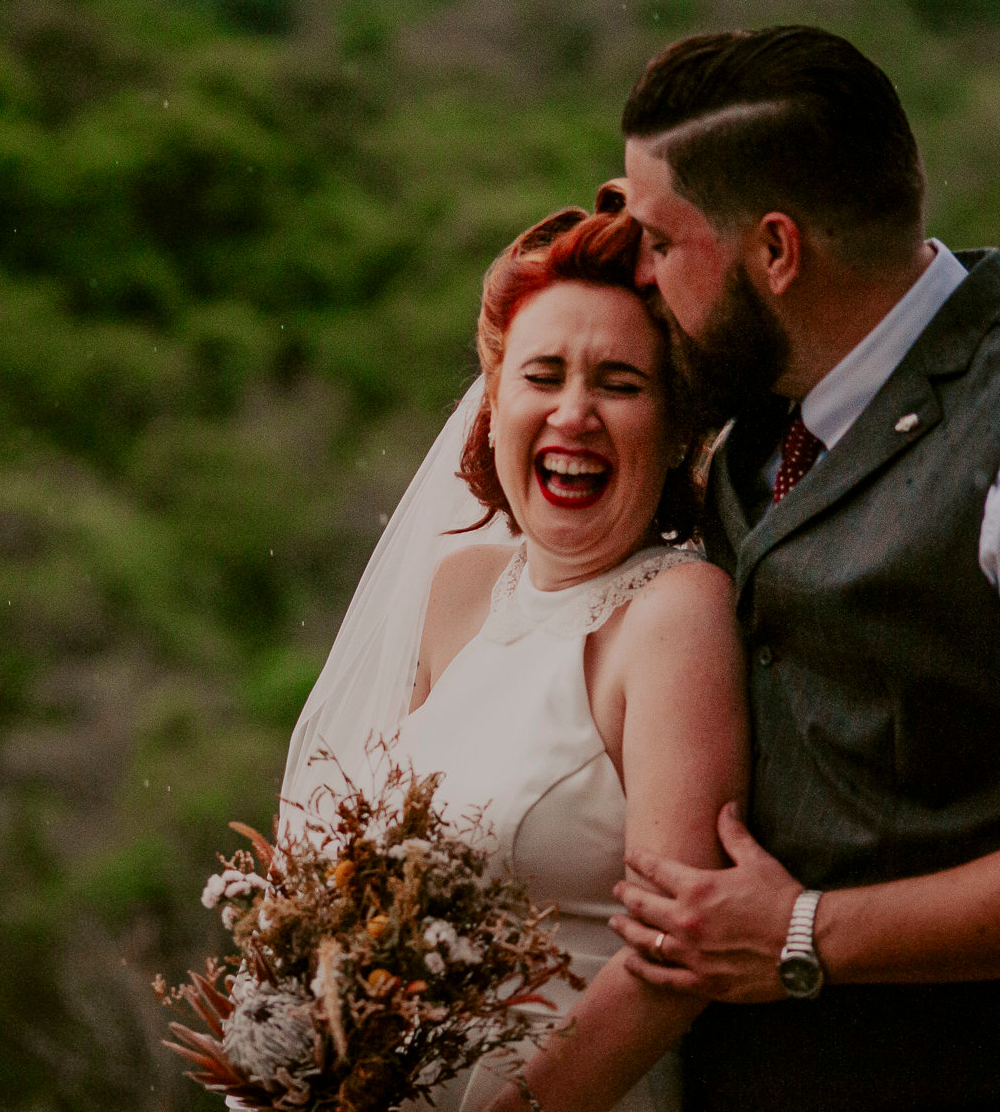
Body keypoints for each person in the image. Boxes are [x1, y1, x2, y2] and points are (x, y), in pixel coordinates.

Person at [605, 26, 1000, 1111]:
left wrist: (808, 935)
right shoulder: (751, 414)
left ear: (775, 251)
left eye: (661, 240)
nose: (640, 269)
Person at [281, 199, 750, 1112]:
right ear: (495, 407)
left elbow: (674, 958)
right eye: (543, 375)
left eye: (620, 383)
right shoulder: (460, 589)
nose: (574, 414)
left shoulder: (676, 613)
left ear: (679, 428)